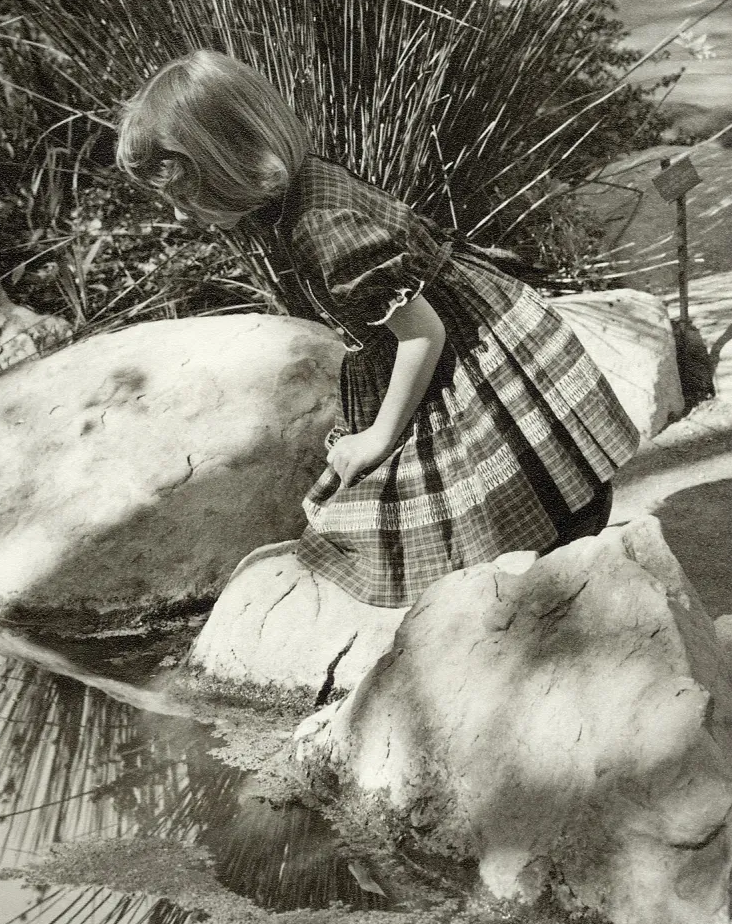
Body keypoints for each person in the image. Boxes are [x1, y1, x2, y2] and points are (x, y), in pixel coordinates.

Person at [116, 51, 639, 608]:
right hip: (468, 325)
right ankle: (558, 546)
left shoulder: (320, 227)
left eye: (182, 197)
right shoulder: (307, 182)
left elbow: (423, 336)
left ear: (229, 166)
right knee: (515, 487)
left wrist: (378, 436)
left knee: (468, 502)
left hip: (459, 350)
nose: (178, 217)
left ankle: (559, 578)